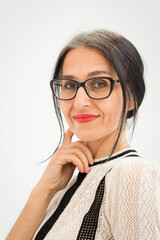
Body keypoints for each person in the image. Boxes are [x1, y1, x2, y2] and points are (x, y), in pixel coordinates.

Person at [6, 30, 160, 240]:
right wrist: (43, 191)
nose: (79, 102)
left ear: (132, 99)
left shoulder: (132, 175)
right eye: (69, 85)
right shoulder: (64, 185)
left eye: (99, 83)